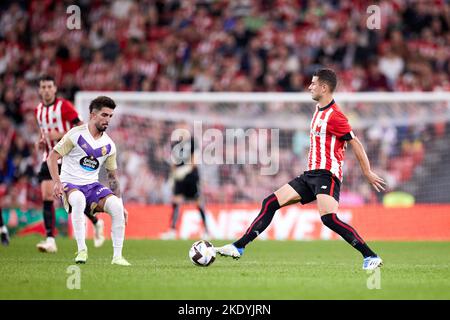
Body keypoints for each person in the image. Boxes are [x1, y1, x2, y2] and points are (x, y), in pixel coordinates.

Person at [215, 68, 386, 270]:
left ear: (324, 87)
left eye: (313, 83)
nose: (309, 86)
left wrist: (367, 172)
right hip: (310, 174)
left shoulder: (335, 116)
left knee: (329, 218)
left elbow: (355, 143)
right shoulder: (318, 110)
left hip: (326, 175)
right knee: (270, 202)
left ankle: (371, 256)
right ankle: (238, 246)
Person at [47, 96, 130, 265]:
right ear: (93, 115)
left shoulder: (109, 145)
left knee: (116, 206)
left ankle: (117, 257)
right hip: (70, 183)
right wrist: (57, 182)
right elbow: (53, 157)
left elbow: (112, 177)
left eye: (110, 116)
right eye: (104, 115)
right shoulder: (75, 135)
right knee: (77, 199)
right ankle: (82, 250)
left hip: (92, 186)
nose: (107, 120)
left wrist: (121, 203)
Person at [35, 75, 105, 253]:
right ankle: (50, 239)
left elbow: (82, 127)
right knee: (47, 196)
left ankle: (97, 222)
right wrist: (41, 142)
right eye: (43, 87)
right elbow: (43, 133)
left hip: (68, 159)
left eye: (49, 87)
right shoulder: (39, 110)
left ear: (55, 89)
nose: (46, 90)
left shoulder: (64, 106)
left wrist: (59, 135)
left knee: (74, 202)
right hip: (49, 158)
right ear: (39, 90)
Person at [161, 127, 209, 240]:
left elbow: (194, 161)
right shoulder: (175, 145)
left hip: (191, 177)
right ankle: (172, 230)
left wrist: (185, 170)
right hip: (179, 177)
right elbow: (173, 162)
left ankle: (206, 230)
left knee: (198, 202)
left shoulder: (192, 142)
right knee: (176, 201)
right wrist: (173, 176)